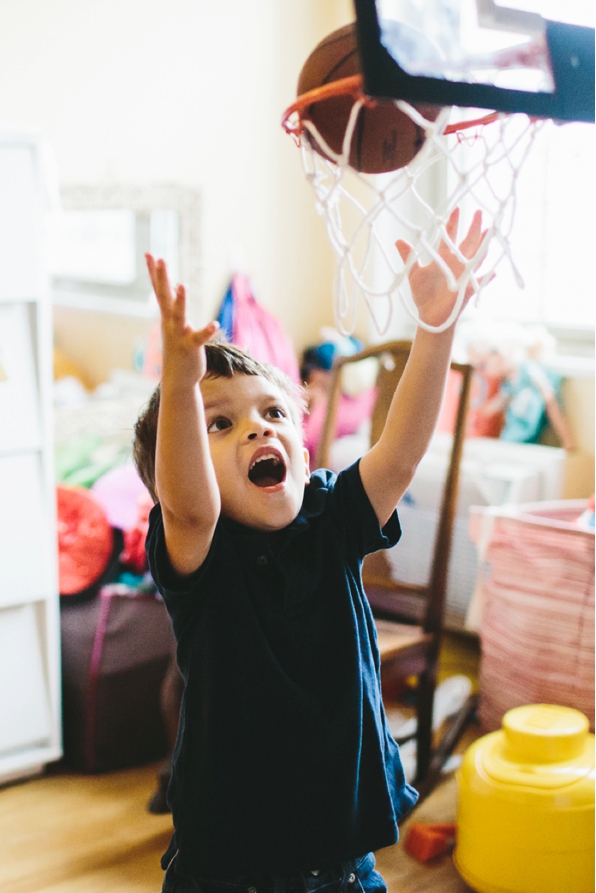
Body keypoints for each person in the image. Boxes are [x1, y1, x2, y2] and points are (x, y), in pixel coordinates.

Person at [133, 209, 486, 891]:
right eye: (221, 422)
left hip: (341, 858)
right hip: (231, 867)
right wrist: (179, 386)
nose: (257, 429)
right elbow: (189, 502)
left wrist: (436, 327)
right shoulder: (202, 553)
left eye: (273, 412)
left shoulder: (332, 515)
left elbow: (402, 453)